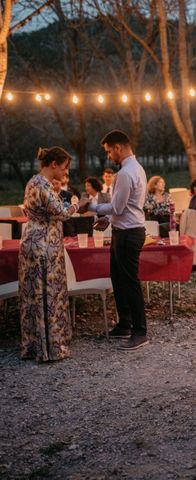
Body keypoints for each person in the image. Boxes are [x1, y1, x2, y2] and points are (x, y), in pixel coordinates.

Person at [19, 147, 90, 362]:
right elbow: (61, 213)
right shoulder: (43, 185)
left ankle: (34, 345)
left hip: (32, 240)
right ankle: (50, 348)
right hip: (43, 245)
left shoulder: (33, 181)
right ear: (53, 165)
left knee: (34, 294)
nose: (65, 172)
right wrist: (80, 204)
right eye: (64, 167)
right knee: (47, 293)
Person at [88, 130, 149, 351]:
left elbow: (118, 207)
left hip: (129, 233)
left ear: (118, 148)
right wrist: (108, 219)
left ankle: (140, 331)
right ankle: (124, 324)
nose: (108, 157)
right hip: (123, 229)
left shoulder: (124, 173)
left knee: (130, 281)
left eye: (108, 152)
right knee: (118, 278)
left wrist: (92, 207)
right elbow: (125, 206)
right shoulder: (137, 169)